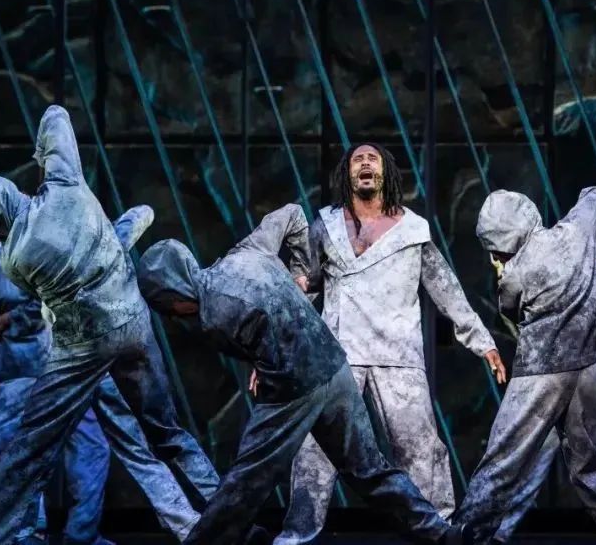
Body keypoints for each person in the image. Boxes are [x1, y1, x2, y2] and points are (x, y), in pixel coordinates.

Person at [0, 105, 218, 545]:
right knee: (163, 435)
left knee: (31, 447)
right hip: (132, 327)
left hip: (80, 349)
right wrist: (45, 160)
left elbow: (53, 294)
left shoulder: (12, 259)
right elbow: (56, 116)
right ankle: (222, 519)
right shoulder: (65, 185)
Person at [137, 204, 467, 545]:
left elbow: (266, 344)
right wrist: (300, 281)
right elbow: (293, 214)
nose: (173, 316)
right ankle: (442, 534)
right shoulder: (247, 251)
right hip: (335, 367)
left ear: (173, 294)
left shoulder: (214, 315)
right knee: (370, 470)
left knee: (244, 480)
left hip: (294, 387)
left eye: (167, 307)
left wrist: (267, 360)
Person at [278, 143, 504, 545]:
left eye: (373, 158)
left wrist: (482, 341)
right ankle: (297, 536)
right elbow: (304, 287)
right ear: (348, 174)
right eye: (358, 159)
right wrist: (275, 347)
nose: (365, 163)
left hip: (397, 355)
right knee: (315, 451)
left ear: (386, 173)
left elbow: (446, 289)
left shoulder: (412, 229)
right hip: (337, 355)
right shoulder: (326, 225)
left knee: (420, 449)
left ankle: (440, 531)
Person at [451, 188, 596, 545]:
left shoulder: (514, 274)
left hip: (541, 371)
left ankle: (464, 536)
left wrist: (506, 269)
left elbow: (510, 309)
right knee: (590, 469)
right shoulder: (576, 230)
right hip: (589, 368)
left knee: (502, 459)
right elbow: (595, 194)